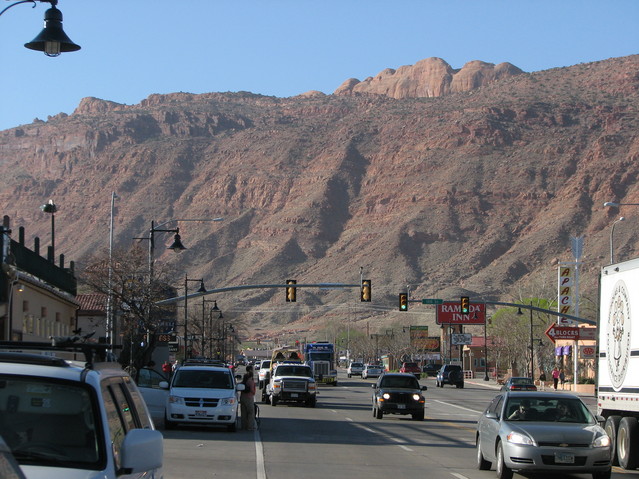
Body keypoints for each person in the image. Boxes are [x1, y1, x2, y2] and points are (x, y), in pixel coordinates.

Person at [240, 365, 257, 431]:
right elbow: (252, 390)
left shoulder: (244, 380)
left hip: (243, 397)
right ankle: (250, 426)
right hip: (249, 398)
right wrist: (253, 392)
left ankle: (243, 426)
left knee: (243, 412)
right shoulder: (251, 381)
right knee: (250, 412)